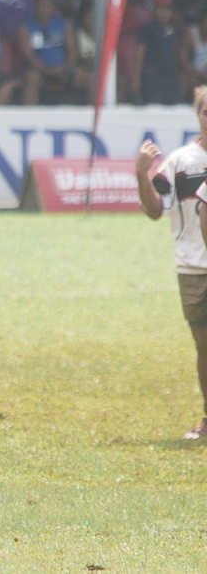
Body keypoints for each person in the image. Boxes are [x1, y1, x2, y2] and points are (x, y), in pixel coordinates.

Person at [138, 86, 207, 440]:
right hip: (193, 268)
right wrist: (141, 174)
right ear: (197, 115)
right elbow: (154, 211)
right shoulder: (181, 162)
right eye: (206, 111)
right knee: (203, 346)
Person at [17, 0, 89, 105]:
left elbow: (72, 51)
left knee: (90, 79)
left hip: (62, 69)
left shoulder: (64, 23)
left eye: (48, 6)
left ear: (53, 7)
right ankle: (29, 117)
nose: (45, 10)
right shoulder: (25, 26)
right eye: (42, 6)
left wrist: (65, 67)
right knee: (31, 79)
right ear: (35, 7)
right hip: (39, 70)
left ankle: (94, 117)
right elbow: (29, 56)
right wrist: (48, 70)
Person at [133, 0, 182, 105]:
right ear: (154, 10)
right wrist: (135, 80)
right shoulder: (148, 29)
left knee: (172, 107)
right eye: (159, 9)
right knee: (154, 106)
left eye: (166, 10)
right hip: (152, 76)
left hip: (170, 76)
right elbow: (139, 53)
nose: (163, 13)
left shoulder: (175, 29)